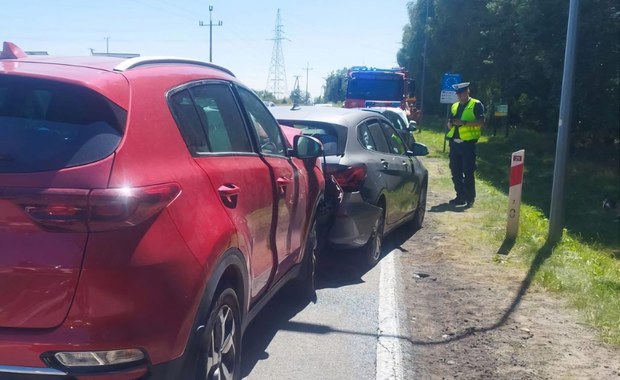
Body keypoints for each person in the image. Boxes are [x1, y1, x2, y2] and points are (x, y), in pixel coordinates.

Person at [446, 82, 485, 207]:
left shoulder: (476, 104)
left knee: (468, 172)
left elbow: (481, 122)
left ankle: (470, 198)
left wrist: (464, 122)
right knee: (455, 171)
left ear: (467, 92)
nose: (459, 95)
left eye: (462, 93)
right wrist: (450, 123)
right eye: (458, 93)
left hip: (468, 144)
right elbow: (451, 119)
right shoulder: (454, 106)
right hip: (455, 143)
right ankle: (460, 196)